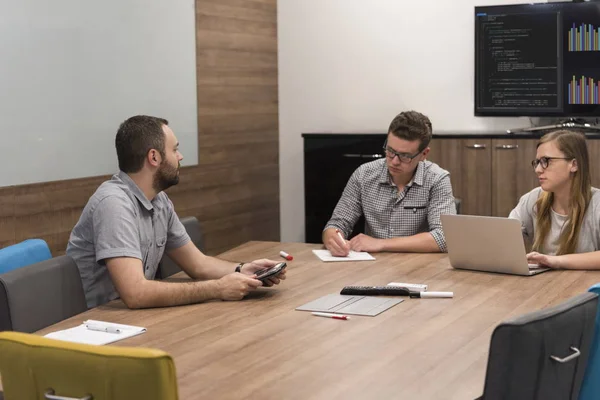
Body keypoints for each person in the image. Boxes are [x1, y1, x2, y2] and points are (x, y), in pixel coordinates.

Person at [67, 115, 286, 309]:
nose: (180, 156)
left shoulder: (159, 200)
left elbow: (198, 264)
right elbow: (135, 293)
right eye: (174, 149)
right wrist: (217, 289)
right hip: (98, 327)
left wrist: (242, 270)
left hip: (132, 322)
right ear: (154, 157)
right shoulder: (114, 204)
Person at [322, 110, 456, 256]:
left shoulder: (437, 179)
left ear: (424, 154)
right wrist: (333, 239)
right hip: (373, 268)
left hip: (417, 268)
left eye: (405, 156)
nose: (395, 161)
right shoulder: (364, 174)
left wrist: (380, 243)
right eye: (390, 151)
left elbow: (444, 238)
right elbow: (336, 224)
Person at [509, 130, 600, 270]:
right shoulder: (533, 199)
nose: (538, 169)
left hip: (586, 288)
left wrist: (554, 261)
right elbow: (505, 237)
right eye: (537, 162)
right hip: (545, 286)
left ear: (574, 165)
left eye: (546, 161)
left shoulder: (597, 203)